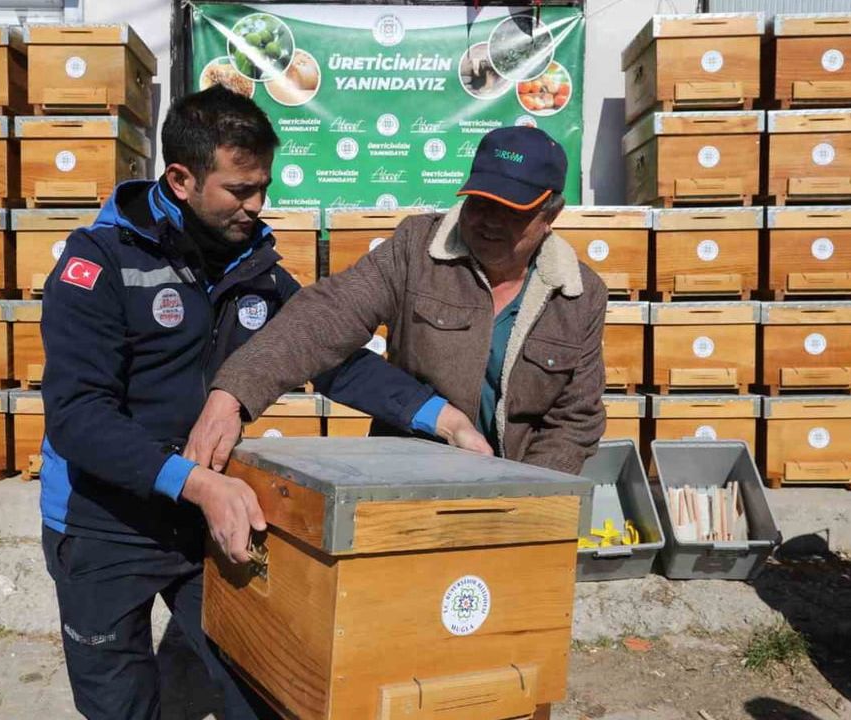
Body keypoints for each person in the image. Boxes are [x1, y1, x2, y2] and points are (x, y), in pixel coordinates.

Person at [38, 85, 486, 720]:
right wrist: (193, 482)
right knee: (121, 705)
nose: (258, 205)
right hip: (102, 523)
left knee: (262, 684)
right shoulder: (99, 263)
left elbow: (328, 356)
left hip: (207, 516)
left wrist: (437, 416)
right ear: (182, 178)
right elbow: (79, 418)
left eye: (263, 187)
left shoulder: (258, 269)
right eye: (240, 191)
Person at [190, 125, 607, 475]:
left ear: (550, 215)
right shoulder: (416, 248)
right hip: (408, 477)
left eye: (512, 210)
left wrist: (529, 493)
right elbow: (328, 314)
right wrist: (235, 392)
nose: (489, 221)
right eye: (480, 203)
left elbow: (575, 419)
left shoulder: (580, 295)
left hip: (520, 492)